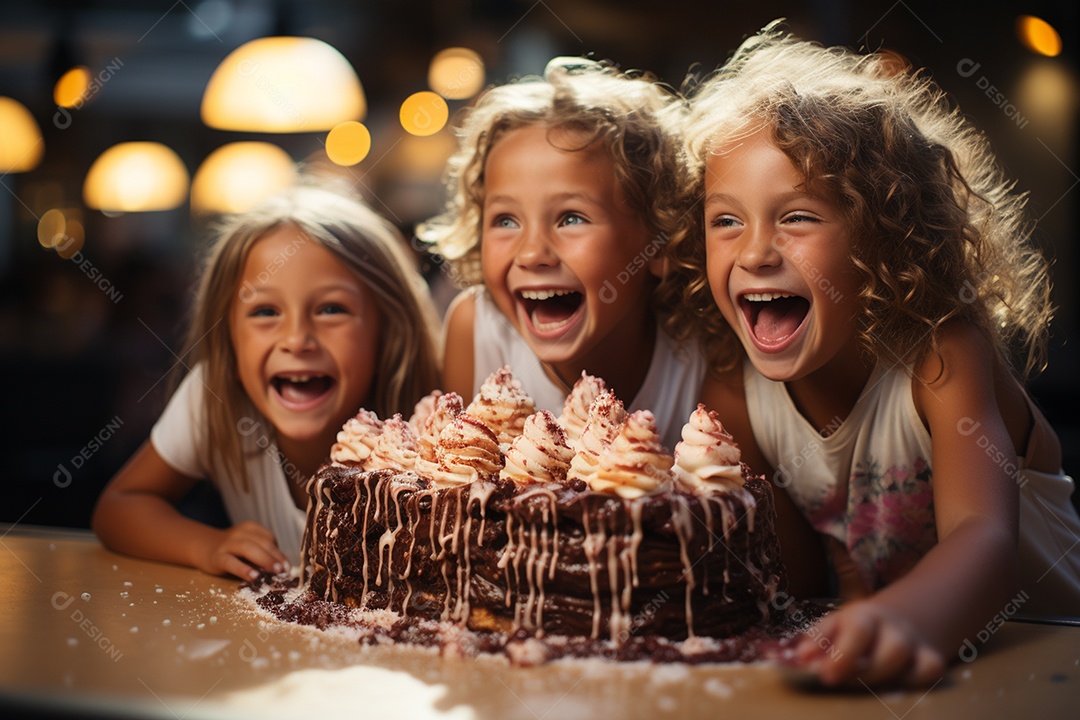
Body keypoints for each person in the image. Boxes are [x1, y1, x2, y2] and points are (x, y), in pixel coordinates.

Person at [670, 26, 1080, 687]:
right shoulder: (734, 393)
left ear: (883, 235)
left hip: (1050, 662)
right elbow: (795, 583)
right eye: (726, 221)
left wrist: (902, 619)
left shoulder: (941, 353)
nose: (754, 252)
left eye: (797, 217)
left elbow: (986, 542)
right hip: (909, 680)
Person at [92, 184, 441, 580]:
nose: (296, 339)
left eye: (331, 309)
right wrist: (206, 546)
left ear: (388, 330)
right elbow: (119, 506)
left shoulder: (431, 429)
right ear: (229, 337)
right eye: (265, 312)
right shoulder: (217, 396)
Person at [419, 57, 703, 452]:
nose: (532, 253)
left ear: (659, 242)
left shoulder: (699, 356)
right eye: (505, 220)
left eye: (571, 218)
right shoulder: (477, 333)